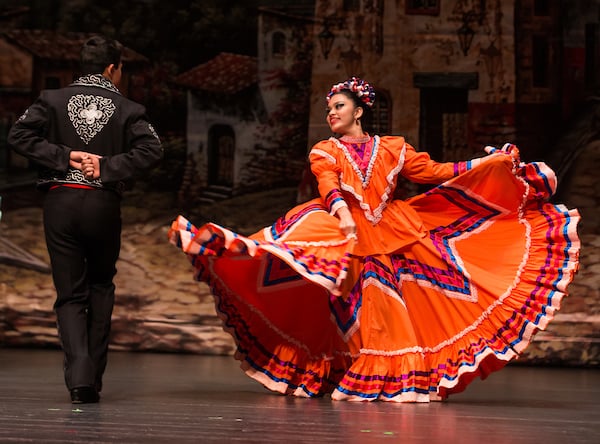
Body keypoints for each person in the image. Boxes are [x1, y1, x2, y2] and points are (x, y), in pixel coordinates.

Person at [168, 77, 580, 402]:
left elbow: (435, 172)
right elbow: (329, 184)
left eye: (339, 106)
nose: (332, 113)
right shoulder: (324, 151)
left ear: (360, 110)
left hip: (392, 231)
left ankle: (387, 375)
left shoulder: (393, 148)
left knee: (394, 303)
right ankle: (351, 371)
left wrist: (483, 162)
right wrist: (344, 213)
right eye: (329, 108)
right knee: (343, 301)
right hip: (343, 233)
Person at [8, 35, 163, 404]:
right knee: (100, 287)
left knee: (70, 295)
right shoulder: (129, 109)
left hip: (60, 203)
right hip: (102, 205)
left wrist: (64, 156)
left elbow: (18, 135)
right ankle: (92, 378)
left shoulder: (51, 100)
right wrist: (108, 166)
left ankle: (78, 377)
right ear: (113, 69)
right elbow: (152, 149)